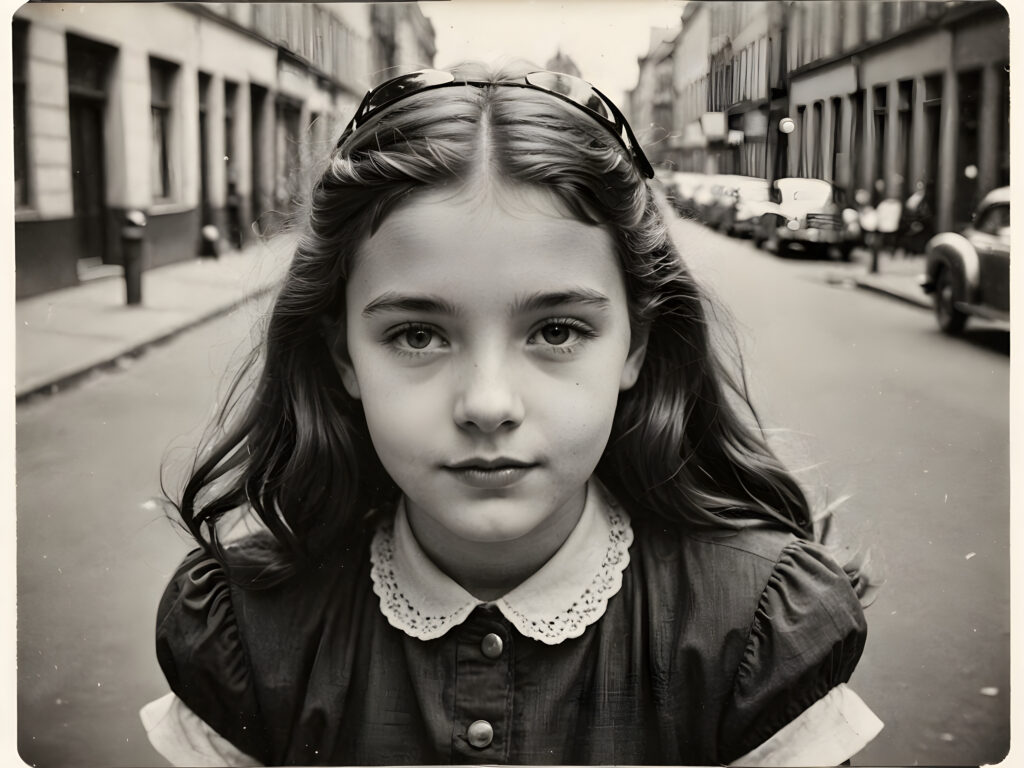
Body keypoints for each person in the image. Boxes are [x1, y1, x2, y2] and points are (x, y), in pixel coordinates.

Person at [140, 62, 882, 767]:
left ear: (636, 344)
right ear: (343, 356)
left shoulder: (749, 630)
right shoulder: (250, 628)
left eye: (556, 331)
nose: (488, 404)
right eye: (417, 335)